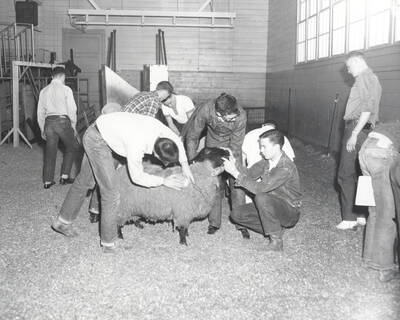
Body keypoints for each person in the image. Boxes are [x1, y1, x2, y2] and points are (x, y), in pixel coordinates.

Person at [51, 112, 194, 253]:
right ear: (156, 155)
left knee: (84, 182)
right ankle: (108, 243)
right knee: (110, 193)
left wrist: (185, 164)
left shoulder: (160, 130)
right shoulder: (137, 145)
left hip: (103, 131)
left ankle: (62, 222)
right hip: (97, 140)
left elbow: (176, 139)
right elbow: (137, 177)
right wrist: (163, 181)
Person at [223, 129, 302, 251]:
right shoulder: (267, 161)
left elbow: (260, 188)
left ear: (276, 147)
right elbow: (249, 174)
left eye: (264, 147)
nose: (261, 151)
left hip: (289, 210)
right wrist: (235, 164)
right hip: (270, 204)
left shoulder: (285, 167)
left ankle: (276, 242)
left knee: (260, 196)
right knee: (236, 215)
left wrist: (234, 172)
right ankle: (276, 229)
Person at [185, 93, 247, 234]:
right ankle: (214, 222)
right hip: (212, 145)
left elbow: (236, 146)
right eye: (230, 118)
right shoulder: (206, 110)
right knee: (214, 184)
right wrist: (193, 162)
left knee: (238, 184)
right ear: (219, 114)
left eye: (235, 115)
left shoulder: (241, 115)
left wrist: (223, 167)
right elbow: (192, 136)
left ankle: (242, 222)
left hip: (232, 148)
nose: (235, 118)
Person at [336, 51, 382, 230]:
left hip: (357, 129)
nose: (348, 71)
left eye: (348, 66)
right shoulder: (373, 78)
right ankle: (361, 214)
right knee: (361, 173)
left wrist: (354, 133)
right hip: (367, 130)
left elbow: (367, 109)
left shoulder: (363, 78)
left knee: (345, 174)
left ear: (356, 61)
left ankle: (349, 218)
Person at [358, 122, 400, 282]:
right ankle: (385, 267)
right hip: (382, 153)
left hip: (365, 150)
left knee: (375, 211)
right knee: (387, 214)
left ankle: (369, 261)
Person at [37, 66, 79, 189]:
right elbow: (72, 109)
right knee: (71, 147)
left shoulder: (43, 91)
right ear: (63, 76)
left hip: (48, 122)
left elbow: (40, 112)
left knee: (50, 151)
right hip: (62, 121)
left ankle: (47, 181)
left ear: (52, 77)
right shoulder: (66, 89)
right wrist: (73, 125)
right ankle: (64, 177)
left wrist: (41, 128)